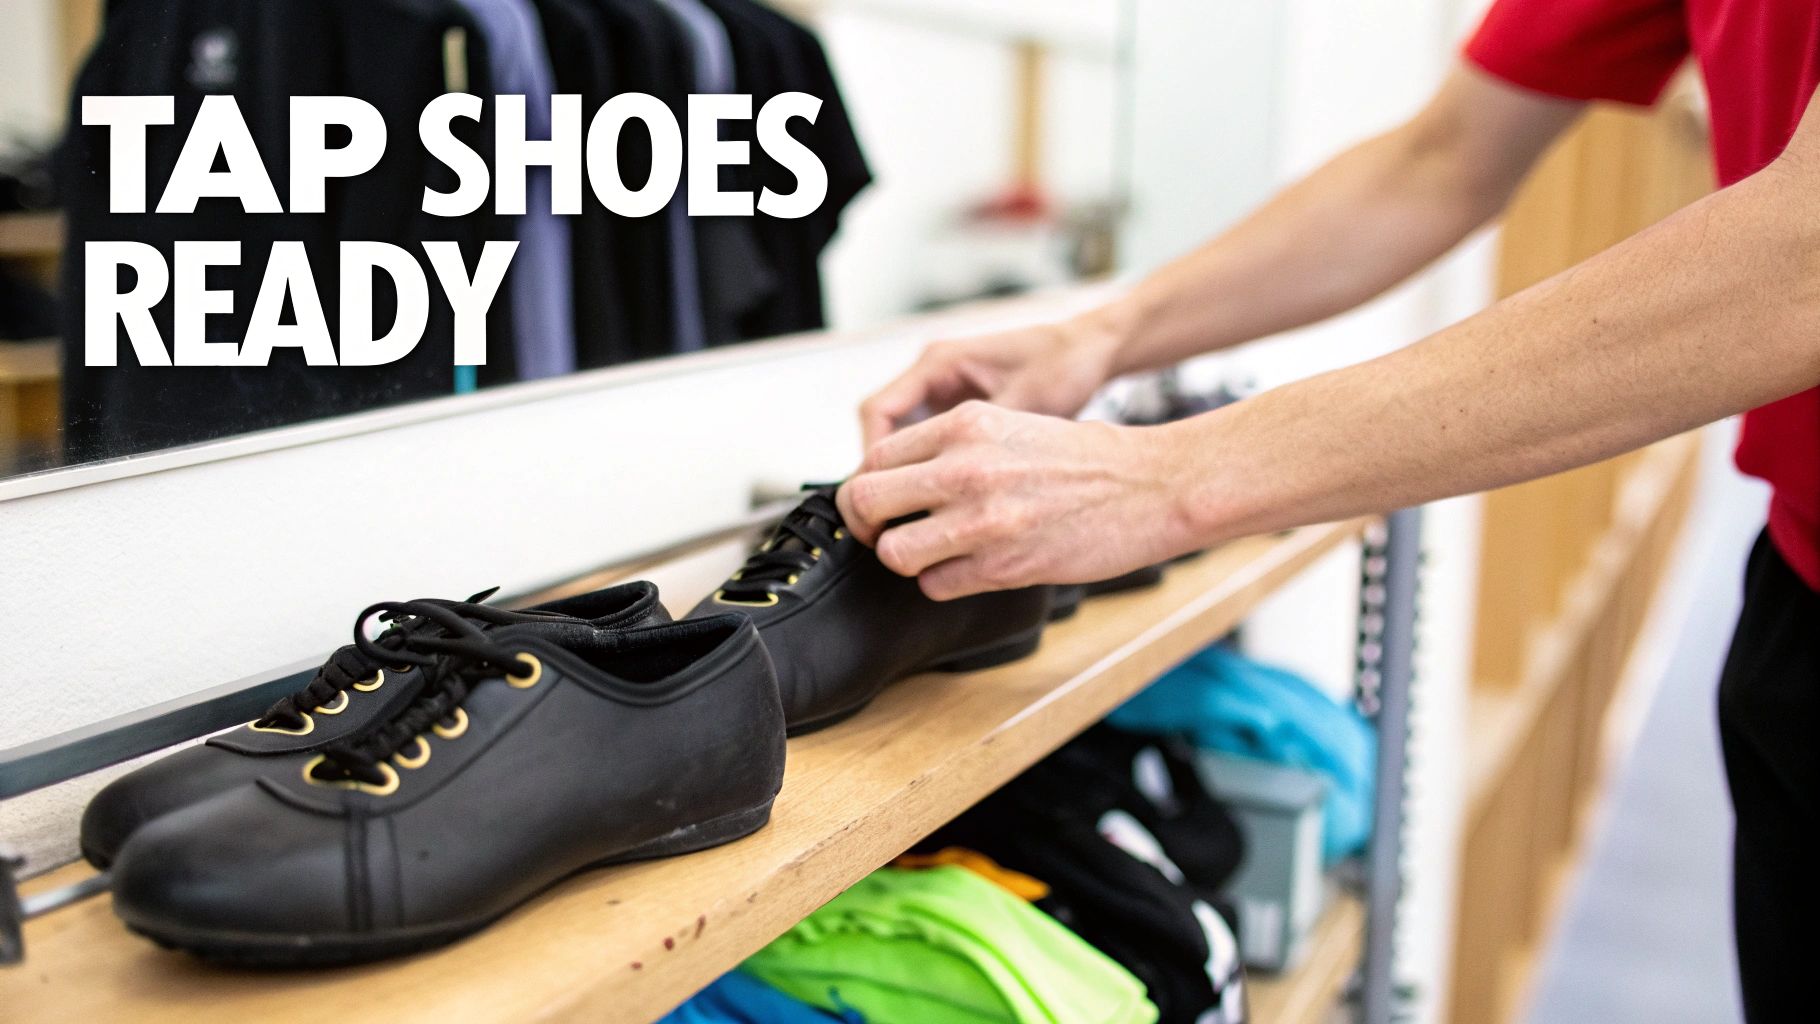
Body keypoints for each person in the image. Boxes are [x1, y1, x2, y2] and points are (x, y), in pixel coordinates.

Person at [836, 1, 1820, 1019]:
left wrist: (1165, 479)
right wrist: (1102, 333)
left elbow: (1804, 252)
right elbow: (1441, 157)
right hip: (1795, 581)